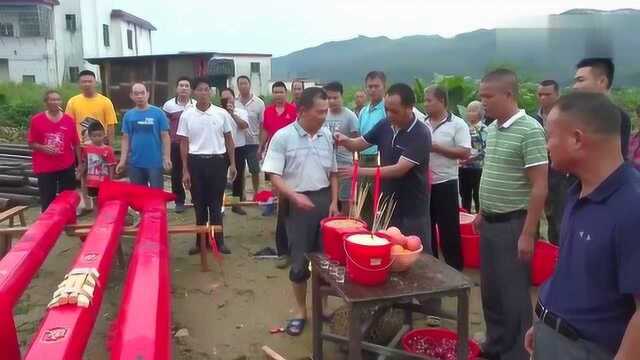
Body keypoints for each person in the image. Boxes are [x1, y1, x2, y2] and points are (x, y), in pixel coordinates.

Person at [525, 92, 640, 360]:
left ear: (577, 139)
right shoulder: (578, 191)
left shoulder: (632, 207)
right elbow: (573, 271)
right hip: (553, 334)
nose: (546, 145)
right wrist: (545, 322)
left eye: (549, 136)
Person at [476, 69, 548, 360]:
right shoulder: (491, 129)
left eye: (488, 97)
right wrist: (481, 210)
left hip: (513, 224)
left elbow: (540, 186)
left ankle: (517, 353)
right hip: (490, 222)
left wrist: (528, 234)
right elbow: (492, 171)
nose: (483, 103)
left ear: (508, 95)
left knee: (513, 295)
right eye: (481, 97)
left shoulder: (530, 129)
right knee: (491, 291)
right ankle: (495, 345)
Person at [262, 87, 339, 336]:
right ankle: (300, 310)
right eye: (320, 111)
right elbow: (273, 175)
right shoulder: (283, 137)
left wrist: (334, 202)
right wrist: (294, 195)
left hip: (324, 201)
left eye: (326, 111)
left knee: (325, 259)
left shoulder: (326, 135)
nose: (324, 116)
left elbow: (334, 173)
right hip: (296, 205)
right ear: (303, 110)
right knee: (299, 261)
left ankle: (323, 306)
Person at [336, 83, 432, 250]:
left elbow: (398, 170)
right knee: (388, 249)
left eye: (395, 111)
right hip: (386, 202)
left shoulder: (420, 133)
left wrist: (358, 171)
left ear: (410, 108)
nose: (389, 114)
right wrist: (344, 140)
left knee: (414, 251)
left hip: (411, 207)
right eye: (387, 109)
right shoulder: (384, 125)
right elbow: (359, 144)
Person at [177, 77, 236, 255]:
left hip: (218, 161)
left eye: (206, 89)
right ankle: (200, 242)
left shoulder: (221, 113)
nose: (203, 93)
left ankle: (219, 241)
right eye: (200, 89)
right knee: (199, 204)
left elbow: (229, 140)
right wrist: (185, 170)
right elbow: (184, 143)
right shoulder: (187, 115)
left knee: (216, 204)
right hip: (196, 163)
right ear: (194, 92)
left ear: (211, 92)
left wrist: (232, 163)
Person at [425, 85, 470, 271]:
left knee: (449, 230)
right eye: (424, 100)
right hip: (425, 185)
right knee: (428, 229)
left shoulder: (458, 124)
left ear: (442, 101)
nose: (425, 104)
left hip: (446, 183)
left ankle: (455, 271)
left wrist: (437, 148)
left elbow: (465, 152)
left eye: (429, 100)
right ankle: (433, 269)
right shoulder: (422, 123)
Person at [65, 69, 118, 213]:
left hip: (100, 147)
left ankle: (103, 201)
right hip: (81, 147)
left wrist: (109, 147)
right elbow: (68, 124)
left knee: (102, 175)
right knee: (84, 175)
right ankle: (87, 204)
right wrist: (71, 145)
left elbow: (111, 124)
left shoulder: (105, 101)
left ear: (95, 82)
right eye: (84, 81)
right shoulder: (73, 102)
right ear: (79, 84)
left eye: (90, 81)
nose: (87, 84)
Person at [260, 81, 297, 266]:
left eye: (281, 91)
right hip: (274, 158)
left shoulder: (294, 109)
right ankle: (283, 250)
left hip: (293, 160)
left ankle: (297, 248)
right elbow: (265, 130)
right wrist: (260, 148)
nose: (278, 94)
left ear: (286, 92)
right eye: (275, 91)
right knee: (281, 199)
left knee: (292, 201)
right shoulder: (267, 111)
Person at [28, 90, 82, 212]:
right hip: (45, 166)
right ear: (46, 102)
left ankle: (69, 222)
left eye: (58, 99)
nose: (55, 102)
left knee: (68, 197)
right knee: (47, 198)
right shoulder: (37, 120)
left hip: (66, 164)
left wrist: (80, 163)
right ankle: (48, 225)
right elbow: (31, 143)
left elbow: (76, 143)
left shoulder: (69, 120)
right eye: (52, 99)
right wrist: (43, 148)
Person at [573, 57, 631, 160]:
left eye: (581, 80)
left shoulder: (618, 117)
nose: (575, 86)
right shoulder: (575, 115)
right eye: (575, 81)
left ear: (602, 81)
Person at [116, 83, 171, 188]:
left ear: (148, 94)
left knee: (156, 196)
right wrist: (122, 161)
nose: (140, 96)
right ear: (131, 96)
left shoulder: (158, 113)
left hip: (155, 162)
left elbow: (165, 136)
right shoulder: (128, 115)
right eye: (136, 94)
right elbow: (125, 139)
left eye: (142, 93)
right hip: (135, 163)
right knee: (139, 197)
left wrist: (167, 157)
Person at [535, 79, 566, 245]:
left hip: (560, 169)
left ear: (557, 94)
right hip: (539, 167)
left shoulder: (567, 116)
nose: (543, 98)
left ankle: (558, 248)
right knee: (539, 208)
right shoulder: (534, 118)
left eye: (547, 94)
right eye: (540, 94)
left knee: (559, 212)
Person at [322, 81, 359, 213]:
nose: (332, 101)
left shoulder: (350, 116)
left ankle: (344, 224)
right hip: (327, 163)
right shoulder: (323, 114)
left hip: (345, 165)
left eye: (335, 97)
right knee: (328, 197)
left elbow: (356, 142)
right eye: (328, 98)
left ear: (341, 96)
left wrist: (354, 164)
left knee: (345, 199)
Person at [162, 77, 195, 213]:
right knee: (176, 174)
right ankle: (179, 201)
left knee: (193, 172)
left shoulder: (196, 104)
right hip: (175, 144)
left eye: (187, 86)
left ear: (191, 90)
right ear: (176, 89)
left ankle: (196, 198)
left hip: (192, 145)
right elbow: (164, 128)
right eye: (181, 85)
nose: (184, 88)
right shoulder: (168, 106)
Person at [235, 75, 265, 201]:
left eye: (245, 83)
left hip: (253, 142)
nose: (243, 86)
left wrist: (261, 146)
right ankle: (241, 196)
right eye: (240, 84)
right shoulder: (234, 102)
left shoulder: (259, 103)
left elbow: (263, 125)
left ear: (249, 85)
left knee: (254, 169)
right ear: (237, 86)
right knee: (239, 171)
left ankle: (256, 194)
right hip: (239, 142)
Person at [220, 88, 250, 215]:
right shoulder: (217, 112)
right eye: (224, 98)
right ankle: (219, 205)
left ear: (234, 98)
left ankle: (235, 204)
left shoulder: (241, 111)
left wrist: (232, 114)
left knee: (237, 178)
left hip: (239, 148)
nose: (227, 100)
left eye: (229, 98)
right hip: (222, 148)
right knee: (220, 177)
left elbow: (244, 126)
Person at [459, 100, 487, 213]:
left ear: (480, 113)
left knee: (478, 195)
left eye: (473, 110)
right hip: (463, 168)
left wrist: (469, 159)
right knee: (465, 196)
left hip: (478, 168)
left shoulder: (484, 129)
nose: (470, 113)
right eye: (469, 110)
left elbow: (485, 150)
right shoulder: (463, 128)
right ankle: (466, 221)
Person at [82, 121, 116, 210]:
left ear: (104, 135)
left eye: (99, 135)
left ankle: (105, 219)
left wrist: (111, 180)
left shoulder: (108, 150)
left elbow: (111, 166)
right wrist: (81, 174)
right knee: (95, 202)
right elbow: (85, 164)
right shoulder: (87, 149)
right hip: (91, 182)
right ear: (90, 136)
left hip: (104, 181)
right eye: (94, 136)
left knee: (105, 201)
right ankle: (96, 219)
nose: (97, 138)